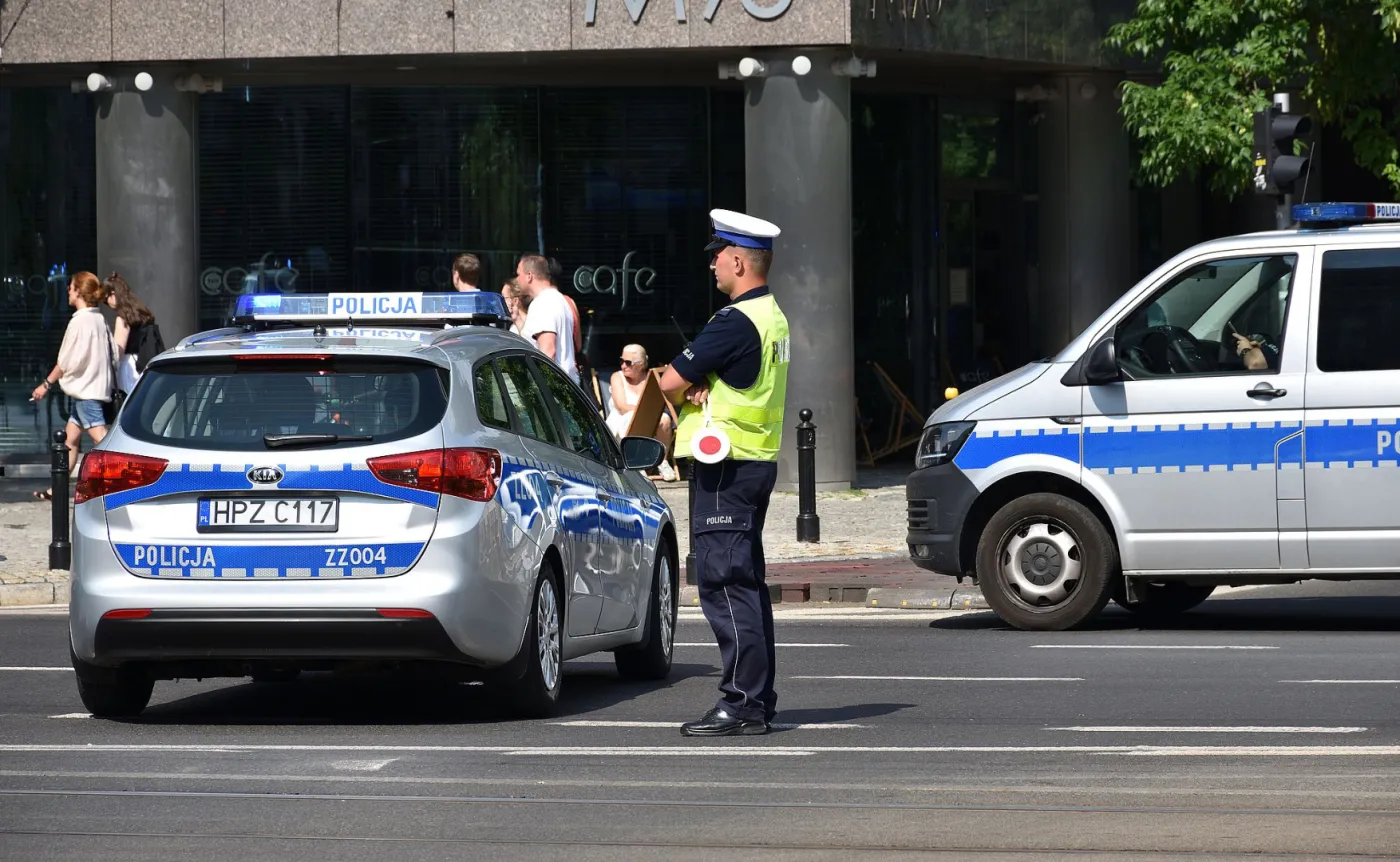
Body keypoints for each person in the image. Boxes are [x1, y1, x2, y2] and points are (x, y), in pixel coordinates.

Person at [659, 209, 789, 737]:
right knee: (746, 584)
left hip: (726, 469)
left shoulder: (735, 321)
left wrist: (693, 383)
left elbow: (668, 381)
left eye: (718, 256)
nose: (712, 264)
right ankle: (757, 699)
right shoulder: (772, 316)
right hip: (753, 463)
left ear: (738, 261)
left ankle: (743, 703)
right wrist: (706, 381)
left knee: (726, 584)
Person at [30, 271, 115, 501]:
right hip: (93, 389)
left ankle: (121, 482)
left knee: (103, 440)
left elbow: (66, 361)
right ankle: (56, 490)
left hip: (86, 391)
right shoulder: (99, 319)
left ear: (79, 291)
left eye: (71, 287)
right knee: (69, 441)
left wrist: (45, 385)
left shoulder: (79, 321)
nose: (68, 290)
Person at [605, 343, 677, 482]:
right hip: (622, 423)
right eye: (621, 361)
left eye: (628, 362)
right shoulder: (617, 377)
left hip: (648, 422)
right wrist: (645, 412)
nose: (623, 366)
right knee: (631, 417)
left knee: (665, 418)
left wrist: (648, 414)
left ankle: (662, 461)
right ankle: (636, 464)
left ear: (641, 364)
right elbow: (621, 406)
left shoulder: (651, 378)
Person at [516, 253, 578, 382]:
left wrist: (538, 386)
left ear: (529, 276)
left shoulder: (543, 303)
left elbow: (548, 351)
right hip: (564, 383)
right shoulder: (559, 299)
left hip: (554, 387)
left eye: (518, 274)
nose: (517, 279)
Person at [104, 272, 163, 394]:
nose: (107, 303)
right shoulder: (143, 313)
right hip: (144, 364)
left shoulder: (122, 318)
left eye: (106, 299)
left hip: (128, 367)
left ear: (113, 294)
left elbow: (119, 350)